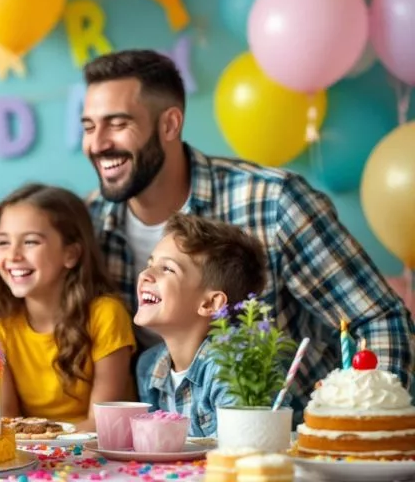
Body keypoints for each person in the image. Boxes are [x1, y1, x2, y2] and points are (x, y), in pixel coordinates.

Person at [80, 49, 415, 420]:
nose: (97, 143)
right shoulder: (90, 223)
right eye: (89, 127)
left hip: (292, 445)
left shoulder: (274, 201)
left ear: (170, 125)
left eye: (118, 123)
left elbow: (377, 319)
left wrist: (359, 434)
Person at [0, 183, 136, 431]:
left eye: (30, 242)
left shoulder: (106, 315)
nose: (13, 255)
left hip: (96, 453)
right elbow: (6, 418)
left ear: (71, 254)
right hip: (32, 456)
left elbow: (102, 422)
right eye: (3, 242)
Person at [135, 214, 267, 437]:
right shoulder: (148, 367)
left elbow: (237, 451)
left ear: (209, 303)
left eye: (167, 269)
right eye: (150, 264)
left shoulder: (235, 366)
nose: (146, 274)